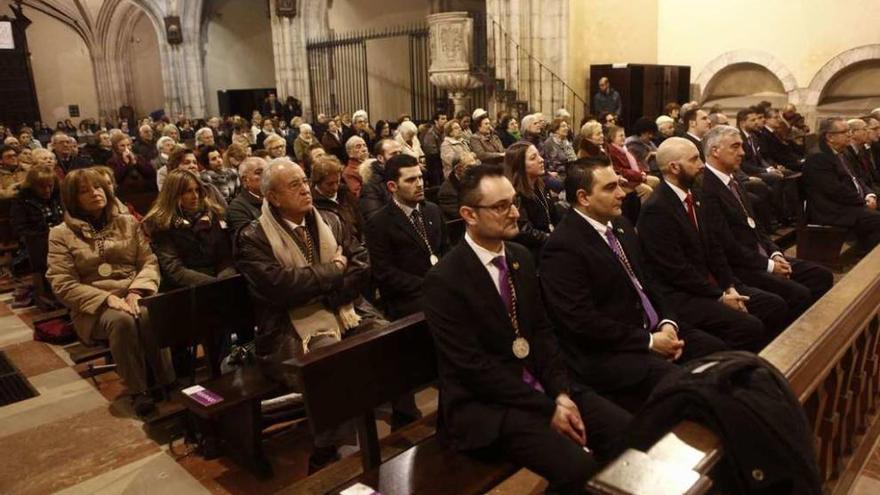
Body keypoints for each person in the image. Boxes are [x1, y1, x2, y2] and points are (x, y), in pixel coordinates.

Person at [423, 163, 630, 494]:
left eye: (513, 202)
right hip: (486, 405)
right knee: (577, 467)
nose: (515, 213)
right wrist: (549, 408)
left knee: (623, 431)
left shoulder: (520, 256)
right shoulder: (445, 280)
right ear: (469, 214)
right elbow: (472, 368)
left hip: (540, 387)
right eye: (500, 206)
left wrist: (561, 393)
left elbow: (543, 333)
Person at [234, 159, 387, 471]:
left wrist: (322, 285)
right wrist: (334, 270)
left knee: (386, 337)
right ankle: (343, 456)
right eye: (294, 185)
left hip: (346, 312)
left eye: (304, 181)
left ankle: (341, 443)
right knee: (329, 363)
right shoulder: (253, 237)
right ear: (273, 198)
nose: (305, 189)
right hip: (287, 330)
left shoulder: (329, 220)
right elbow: (280, 289)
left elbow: (362, 265)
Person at [541, 156, 726, 411]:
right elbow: (581, 321)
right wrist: (648, 341)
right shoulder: (563, 246)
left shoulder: (620, 224)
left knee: (719, 353)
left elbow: (648, 280)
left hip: (652, 328)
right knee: (687, 389)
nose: (621, 193)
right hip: (612, 350)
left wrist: (667, 321)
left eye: (618, 184)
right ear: (583, 197)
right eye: (610, 188)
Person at [637, 137, 788, 352]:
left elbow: (714, 249)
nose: (701, 165)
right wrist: (719, 296)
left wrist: (729, 286)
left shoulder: (696, 196)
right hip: (682, 294)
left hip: (712, 285)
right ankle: (734, 372)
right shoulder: (657, 208)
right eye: (694, 160)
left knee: (774, 305)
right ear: (674, 167)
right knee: (748, 326)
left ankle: (767, 365)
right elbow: (675, 270)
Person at [46, 168, 173, 417]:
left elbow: (148, 261)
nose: (95, 193)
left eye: (98, 187)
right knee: (123, 321)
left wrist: (137, 290)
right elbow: (62, 283)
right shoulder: (60, 234)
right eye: (85, 191)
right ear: (73, 199)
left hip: (133, 291)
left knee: (150, 312)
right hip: (94, 306)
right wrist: (107, 298)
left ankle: (166, 380)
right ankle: (139, 391)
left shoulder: (127, 221)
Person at [699, 125, 833, 323]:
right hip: (741, 266)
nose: (742, 153)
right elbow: (727, 245)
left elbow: (756, 227)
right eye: (735, 147)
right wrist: (769, 265)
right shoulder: (706, 188)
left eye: (742, 147)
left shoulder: (732, 180)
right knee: (798, 294)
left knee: (821, 275)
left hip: (760, 255)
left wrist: (775, 253)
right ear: (715, 151)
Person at [365, 153, 446, 319]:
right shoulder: (379, 222)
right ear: (392, 186)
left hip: (442, 285)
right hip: (409, 297)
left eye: (420, 178)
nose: (420, 184)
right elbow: (385, 273)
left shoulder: (432, 210)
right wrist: (428, 285)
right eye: (410, 180)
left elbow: (446, 249)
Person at [143, 169, 235, 289]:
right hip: (187, 288)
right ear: (174, 194)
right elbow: (174, 269)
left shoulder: (213, 214)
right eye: (188, 191)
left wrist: (224, 279)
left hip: (220, 279)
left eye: (197, 190)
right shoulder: (161, 223)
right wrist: (214, 285)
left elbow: (225, 256)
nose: (195, 196)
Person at [802, 117, 880, 251]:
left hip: (848, 203)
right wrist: (862, 201)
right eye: (844, 132)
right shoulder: (818, 157)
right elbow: (834, 190)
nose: (849, 134)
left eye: (849, 131)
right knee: (876, 219)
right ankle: (867, 257)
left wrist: (869, 194)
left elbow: (856, 178)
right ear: (830, 137)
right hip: (831, 210)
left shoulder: (840, 152)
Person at [505, 142, 559, 258]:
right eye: (533, 158)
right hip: (531, 252)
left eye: (539, 155)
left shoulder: (540, 185)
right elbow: (524, 231)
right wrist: (553, 239)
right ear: (520, 166)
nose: (541, 160)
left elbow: (553, 216)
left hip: (548, 241)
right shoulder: (514, 194)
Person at [311, 155, 363, 242]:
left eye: (337, 182)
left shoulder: (345, 193)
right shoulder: (313, 204)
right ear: (318, 182)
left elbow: (360, 221)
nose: (335, 187)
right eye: (329, 184)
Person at [606, 125, 658, 203]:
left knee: (656, 181)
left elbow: (635, 163)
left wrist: (641, 173)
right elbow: (621, 171)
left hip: (634, 177)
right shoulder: (612, 151)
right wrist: (640, 176)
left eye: (624, 135)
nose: (624, 138)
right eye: (621, 136)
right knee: (648, 190)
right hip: (626, 181)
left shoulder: (624, 149)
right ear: (613, 138)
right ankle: (644, 213)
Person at [359, 138, 402, 221]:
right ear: (380, 158)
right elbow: (374, 218)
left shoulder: (403, 174)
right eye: (394, 154)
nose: (399, 157)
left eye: (400, 153)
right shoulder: (370, 184)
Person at [227, 156, 267, 232]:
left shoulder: (277, 197)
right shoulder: (237, 207)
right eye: (259, 173)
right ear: (245, 180)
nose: (265, 176)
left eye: (267, 172)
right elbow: (247, 238)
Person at [437, 152, 477, 220]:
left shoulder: (476, 180)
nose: (474, 171)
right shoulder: (447, 192)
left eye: (475, 166)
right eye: (469, 168)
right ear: (458, 169)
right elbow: (461, 216)